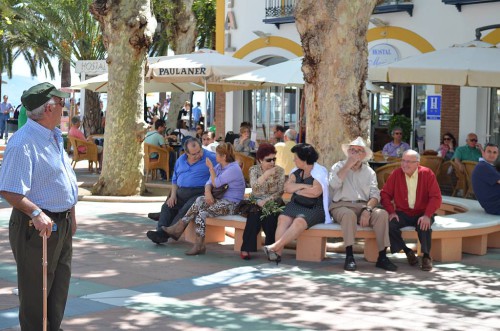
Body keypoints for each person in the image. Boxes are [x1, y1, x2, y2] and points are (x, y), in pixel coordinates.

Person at [0, 82, 77, 330]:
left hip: (60, 222)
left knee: (58, 286)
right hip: (36, 226)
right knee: (36, 292)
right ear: (48, 108)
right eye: (61, 103)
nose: (64, 109)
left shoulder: (54, 136)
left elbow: (63, 178)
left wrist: (71, 214)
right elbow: (9, 189)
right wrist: (35, 213)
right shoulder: (23, 142)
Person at [162, 143, 246, 255]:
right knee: (200, 200)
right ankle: (186, 233)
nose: (215, 156)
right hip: (220, 201)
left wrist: (211, 169)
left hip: (232, 204)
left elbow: (216, 183)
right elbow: (209, 182)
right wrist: (207, 192)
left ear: (224, 156)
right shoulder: (220, 166)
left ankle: (196, 242)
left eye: (217, 154)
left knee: (201, 212)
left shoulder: (233, 169)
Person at [329, 137, 397, 271]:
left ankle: (382, 257)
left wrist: (369, 209)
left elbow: (375, 194)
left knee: (382, 214)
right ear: (348, 152)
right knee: (348, 215)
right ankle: (349, 256)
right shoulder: (338, 166)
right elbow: (333, 185)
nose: (355, 153)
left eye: (359, 151)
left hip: (363, 206)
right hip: (342, 205)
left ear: (364, 155)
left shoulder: (369, 172)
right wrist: (347, 166)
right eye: (352, 150)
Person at [263, 144, 330, 264]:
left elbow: (316, 192)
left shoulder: (319, 172)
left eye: (296, 158)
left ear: (304, 160)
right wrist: (304, 187)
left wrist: (297, 190)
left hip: (314, 207)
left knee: (299, 221)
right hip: (297, 203)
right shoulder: (296, 172)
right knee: (282, 218)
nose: (294, 160)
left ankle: (274, 247)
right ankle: (277, 254)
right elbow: (287, 188)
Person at [146, 137, 217, 244]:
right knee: (167, 206)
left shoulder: (211, 157)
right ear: (186, 153)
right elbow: (174, 180)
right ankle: (160, 231)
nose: (198, 155)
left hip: (200, 192)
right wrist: (173, 195)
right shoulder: (181, 160)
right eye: (194, 154)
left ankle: (163, 234)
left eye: (199, 151)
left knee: (185, 209)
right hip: (181, 191)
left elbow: (225, 169)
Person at [381, 150, 442, 271]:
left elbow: (436, 197)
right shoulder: (396, 174)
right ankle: (407, 251)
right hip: (403, 212)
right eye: (403, 160)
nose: (404, 164)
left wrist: (427, 215)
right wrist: (391, 212)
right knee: (390, 225)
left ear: (417, 163)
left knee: (424, 225)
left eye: (408, 161)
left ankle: (426, 256)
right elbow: (384, 194)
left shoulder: (427, 173)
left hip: (422, 212)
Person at [240, 144, 285, 260]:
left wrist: (267, 200)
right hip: (256, 201)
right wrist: (266, 175)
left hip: (273, 201)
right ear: (260, 160)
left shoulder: (280, 171)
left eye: (274, 159)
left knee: (270, 217)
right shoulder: (254, 170)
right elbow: (254, 188)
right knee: (254, 217)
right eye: (268, 160)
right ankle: (246, 247)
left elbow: (280, 192)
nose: (272, 162)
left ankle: (271, 249)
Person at [472, 143, 500, 215]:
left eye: (494, 152)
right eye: (489, 151)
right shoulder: (483, 166)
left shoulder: (486, 166)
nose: (492, 155)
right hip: (495, 206)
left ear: (497, 154)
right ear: (483, 153)